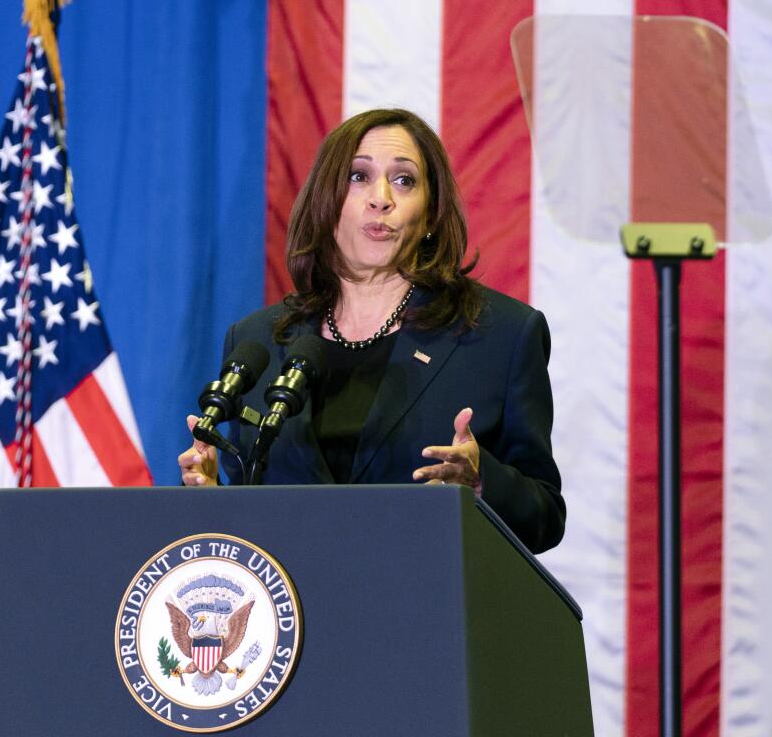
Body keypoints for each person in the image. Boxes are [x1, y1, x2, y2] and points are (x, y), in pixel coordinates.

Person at [178, 109, 564, 553]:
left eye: (404, 180)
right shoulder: (258, 342)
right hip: (295, 616)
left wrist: (480, 481)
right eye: (358, 177)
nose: (380, 198)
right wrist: (207, 501)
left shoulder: (501, 335)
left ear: (432, 213)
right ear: (326, 200)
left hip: (427, 610)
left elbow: (545, 518)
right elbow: (254, 516)